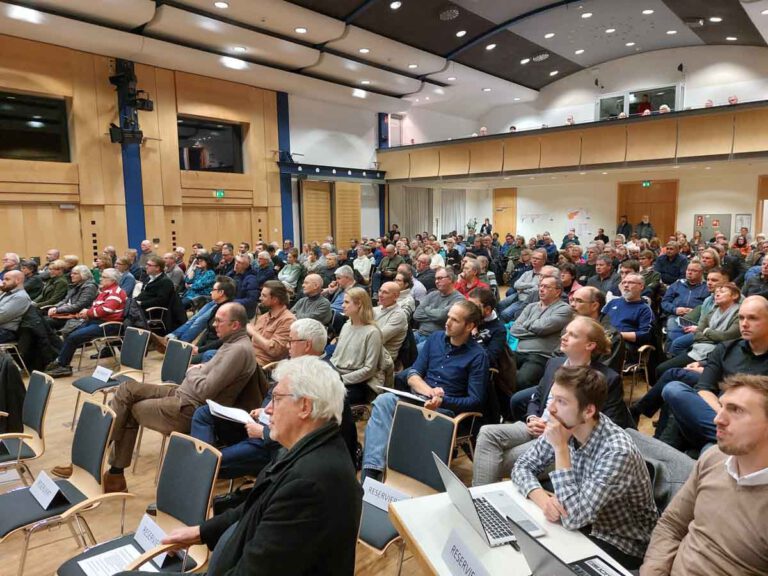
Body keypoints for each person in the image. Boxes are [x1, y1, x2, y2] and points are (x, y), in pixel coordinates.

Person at [143, 357, 362, 575]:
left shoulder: (310, 485)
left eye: (276, 399)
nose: (268, 409)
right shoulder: (304, 452)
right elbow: (255, 507)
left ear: (305, 406)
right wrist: (201, 532)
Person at [52, 302, 259, 488]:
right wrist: (199, 371)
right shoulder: (231, 344)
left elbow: (204, 390)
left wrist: (193, 372)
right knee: (126, 389)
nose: (214, 325)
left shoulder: (238, 350)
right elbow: (206, 376)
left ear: (235, 325)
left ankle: (101, 468)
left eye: (219, 321)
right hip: (181, 393)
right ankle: (104, 468)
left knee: (128, 410)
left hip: (189, 407)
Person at [512, 365, 658, 570]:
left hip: (621, 542)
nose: (551, 408)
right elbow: (521, 467)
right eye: (553, 398)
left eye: (561, 401)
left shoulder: (617, 451)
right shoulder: (565, 422)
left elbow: (572, 518)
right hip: (583, 518)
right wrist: (544, 501)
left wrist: (561, 448)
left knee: (543, 561)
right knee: (524, 546)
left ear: (588, 411)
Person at [474, 317, 631, 486]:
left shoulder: (606, 379)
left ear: (590, 345)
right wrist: (532, 417)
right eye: (565, 332)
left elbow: (610, 424)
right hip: (538, 425)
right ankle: (483, 497)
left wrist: (562, 430)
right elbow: (537, 397)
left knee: (492, 460)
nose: (564, 337)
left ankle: (481, 498)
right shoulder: (554, 363)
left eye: (573, 335)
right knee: (487, 433)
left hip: (564, 440)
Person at [640, 374, 768, 576]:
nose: (718, 419)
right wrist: (654, 572)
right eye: (722, 406)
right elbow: (671, 525)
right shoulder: (714, 458)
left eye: (736, 410)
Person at [361, 300, 488, 482]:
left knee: (397, 417)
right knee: (384, 400)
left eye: (455, 320)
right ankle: (372, 473)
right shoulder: (436, 339)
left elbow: (475, 400)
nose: (447, 323)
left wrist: (442, 400)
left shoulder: (478, 356)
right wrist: (429, 392)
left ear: (469, 326)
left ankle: (391, 477)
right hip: (420, 398)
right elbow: (413, 373)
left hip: (445, 410)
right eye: (448, 317)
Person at [661, 296, 768, 451]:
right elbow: (704, 388)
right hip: (718, 415)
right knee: (674, 389)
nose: (744, 324)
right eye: (741, 318)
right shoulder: (726, 349)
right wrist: (724, 416)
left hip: (756, 424)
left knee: (708, 449)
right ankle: (730, 437)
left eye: (752, 318)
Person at [44, 269, 126, 378]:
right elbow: (96, 307)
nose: (100, 279)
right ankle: (61, 361)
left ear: (112, 280)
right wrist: (87, 313)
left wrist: (88, 312)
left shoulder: (116, 292)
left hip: (109, 325)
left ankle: (63, 365)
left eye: (104, 277)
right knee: (70, 333)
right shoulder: (106, 291)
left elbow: (105, 310)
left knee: (73, 337)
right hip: (97, 321)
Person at [509, 275, 574, 390]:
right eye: (540, 286)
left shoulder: (564, 309)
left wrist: (527, 324)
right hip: (518, 351)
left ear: (557, 291)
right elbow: (514, 330)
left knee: (521, 381)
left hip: (540, 355)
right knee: (495, 371)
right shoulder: (531, 306)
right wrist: (538, 330)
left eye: (546, 287)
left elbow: (543, 328)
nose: (541, 289)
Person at [330, 287, 386, 403]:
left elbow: (369, 370)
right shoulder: (346, 326)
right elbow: (336, 357)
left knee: (326, 398)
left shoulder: (372, 332)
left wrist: (340, 379)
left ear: (359, 304)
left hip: (358, 383)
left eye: (347, 302)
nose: (343, 306)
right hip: (337, 375)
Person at [412, 267, 465, 345]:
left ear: (450, 279)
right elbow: (416, 315)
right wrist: (436, 315)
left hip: (437, 339)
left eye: (440, 278)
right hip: (419, 333)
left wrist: (427, 309)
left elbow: (441, 316)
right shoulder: (432, 294)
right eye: (436, 279)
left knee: (417, 350)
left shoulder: (459, 299)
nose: (436, 281)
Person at [247, 280, 295, 367]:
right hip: (248, 357)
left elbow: (274, 350)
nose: (260, 298)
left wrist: (253, 332)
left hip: (262, 366)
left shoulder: (288, 320)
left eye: (264, 296)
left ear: (275, 300)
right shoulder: (263, 317)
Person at [374, 281, 409, 365]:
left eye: (385, 292)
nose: (380, 295)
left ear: (395, 296)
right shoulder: (375, 309)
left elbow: (377, 339)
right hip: (369, 351)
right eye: (380, 291)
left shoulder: (398, 315)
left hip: (383, 358)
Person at [0, 270, 31, 344]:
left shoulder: (20, 297)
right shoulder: (7, 292)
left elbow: (1, 317)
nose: (3, 282)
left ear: (18, 280)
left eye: (7, 279)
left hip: (6, 332)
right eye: (3, 279)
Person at [227, 253, 260, 318]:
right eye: (236, 261)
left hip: (242, 310)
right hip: (230, 303)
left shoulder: (251, 279)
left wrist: (231, 301)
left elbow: (251, 300)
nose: (236, 264)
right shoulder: (232, 274)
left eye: (239, 262)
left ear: (245, 266)